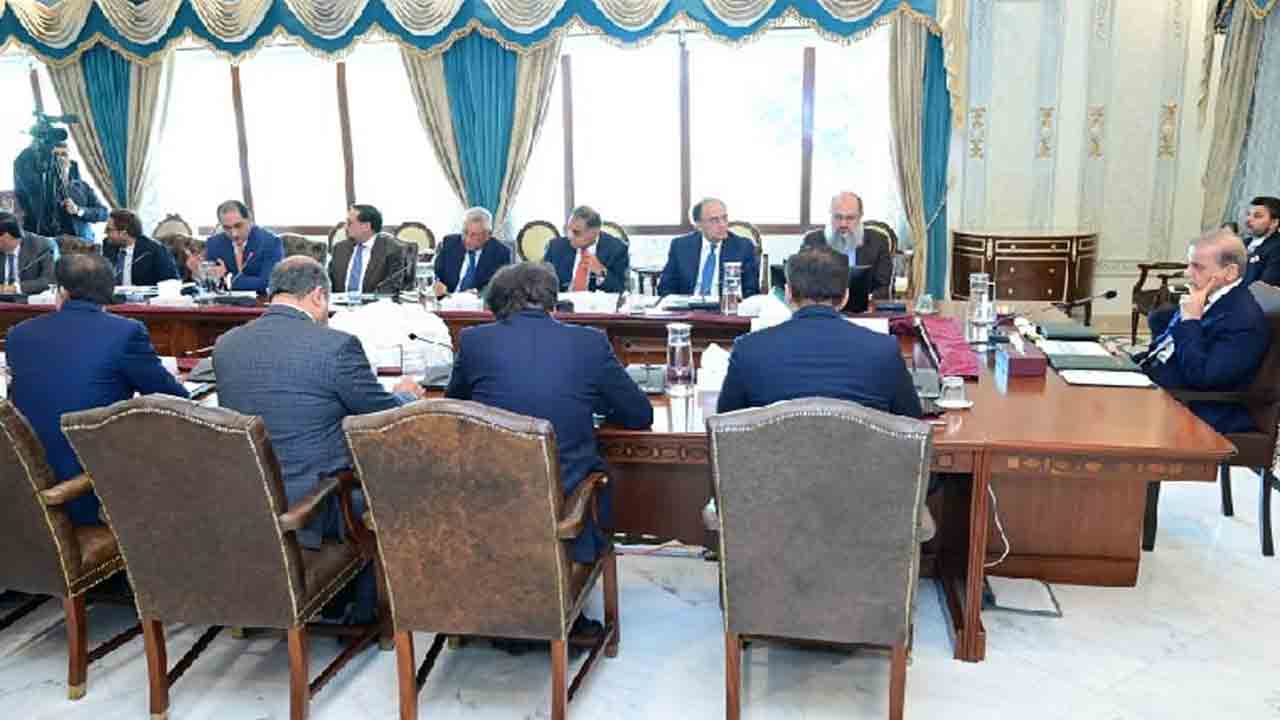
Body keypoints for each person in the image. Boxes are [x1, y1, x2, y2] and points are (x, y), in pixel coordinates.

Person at [214, 256, 424, 622]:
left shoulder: (226, 344)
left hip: (247, 503)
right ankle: (367, 610)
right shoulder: (336, 346)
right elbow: (380, 415)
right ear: (318, 295)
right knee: (396, 481)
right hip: (314, 505)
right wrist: (407, 395)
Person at [446, 262, 653, 566]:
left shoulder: (474, 340)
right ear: (552, 299)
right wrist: (595, 403)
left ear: (497, 301)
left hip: (489, 497)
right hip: (564, 502)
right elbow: (639, 414)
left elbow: (454, 409)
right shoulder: (589, 342)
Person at [5, 254, 188, 526]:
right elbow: (175, 399)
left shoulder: (19, 334)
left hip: (23, 491)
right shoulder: (125, 333)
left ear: (61, 291)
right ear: (109, 291)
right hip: (92, 491)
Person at [717, 244, 922, 418]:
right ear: (846, 297)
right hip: (863, 455)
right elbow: (912, 423)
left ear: (788, 294)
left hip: (773, 455)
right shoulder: (884, 349)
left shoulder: (748, 349)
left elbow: (725, 427)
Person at [1136, 229, 1270, 434]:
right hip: (1160, 386)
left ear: (1229, 272)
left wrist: (1191, 321)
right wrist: (1128, 363)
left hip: (1192, 408)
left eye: (1197, 267)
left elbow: (1203, 378)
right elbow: (1164, 350)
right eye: (1189, 264)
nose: (1187, 273)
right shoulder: (1203, 296)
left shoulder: (1243, 320)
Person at [657, 198, 760, 298]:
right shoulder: (680, 246)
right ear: (698, 225)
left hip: (724, 306)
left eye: (724, 218)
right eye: (714, 220)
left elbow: (751, 291)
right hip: (688, 306)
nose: (722, 225)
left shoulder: (743, 247)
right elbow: (665, 287)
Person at [801, 191, 894, 299]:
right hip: (823, 305)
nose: (843, 224)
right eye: (838, 217)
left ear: (860, 217)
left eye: (850, 218)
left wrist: (867, 300)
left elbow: (883, 287)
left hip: (864, 306)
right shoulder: (812, 241)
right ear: (830, 215)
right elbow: (801, 282)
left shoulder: (878, 241)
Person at [13, 141, 108, 243]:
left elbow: (103, 213)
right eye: (55, 155)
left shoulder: (82, 186)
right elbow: (21, 165)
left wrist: (78, 210)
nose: (60, 158)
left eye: (64, 154)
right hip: (50, 242)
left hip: (81, 242)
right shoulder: (38, 186)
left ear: (70, 161)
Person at [188, 200, 283, 293]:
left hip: (260, 301)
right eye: (227, 228)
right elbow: (209, 286)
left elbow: (267, 283)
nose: (234, 234)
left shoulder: (271, 243)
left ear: (249, 220)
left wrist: (226, 278)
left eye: (238, 226)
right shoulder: (213, 243)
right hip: (223, 302)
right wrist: (198, 273)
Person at [542, 206, 629, 293]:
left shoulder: (616, 249)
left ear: (594, 232)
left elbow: (621, 288)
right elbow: (543, 282)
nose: (569, 236)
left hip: (597, 301)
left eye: (576, 232)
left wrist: (601, 272)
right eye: (568, 229)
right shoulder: (556, 246)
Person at [328, 204, 409, 294]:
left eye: (349, 223)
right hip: (338, 302)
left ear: (366, 226)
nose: (345, 227)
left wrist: (366, 301)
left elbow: (391, 287)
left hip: (374, 302)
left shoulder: (392, 250)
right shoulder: (340, 248)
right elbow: (328, 280)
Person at [433, 207, 511, 295]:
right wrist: (437, 283)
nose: (467, 239)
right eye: (465, 232)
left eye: (474, 235)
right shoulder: (450, 243)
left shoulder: (500, 253)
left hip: (477, 302)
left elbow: (499, 287)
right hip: (447, 299)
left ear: (487, 235)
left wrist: (478, 294)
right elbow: (435, 272)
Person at [101, 209, 180, 286]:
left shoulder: (154, 251)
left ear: (124, 233)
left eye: (109, 230)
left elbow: (171, 282)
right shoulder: (108, 246)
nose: (105, 232)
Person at [0, 211, 56, 294]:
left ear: (7, 236)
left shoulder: (41, 246)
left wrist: (14, 289)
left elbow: (49, 280)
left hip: (28, 299)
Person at [1242, 195, 1280, 287]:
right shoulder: (1241, 243)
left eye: (1257, 216)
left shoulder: (1277, 249)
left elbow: (1264, 288)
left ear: (1274, 223)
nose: (1248, 219)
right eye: (1248, 214)